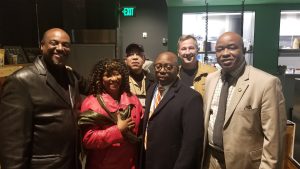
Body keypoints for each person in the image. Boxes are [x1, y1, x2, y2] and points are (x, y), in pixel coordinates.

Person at [0, 28, 85, 169]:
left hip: (72, 163)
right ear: (42, 45)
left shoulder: (71, 77)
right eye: (54, 43)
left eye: (65, 45)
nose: (60, 48)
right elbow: (12, 145)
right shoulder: (21, 81)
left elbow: (93, 86)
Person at [203, 32, 287, 169]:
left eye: (231, 47)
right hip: (211, 161)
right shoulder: (210, 80)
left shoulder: (266, 83)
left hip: (246, 164)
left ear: (244, 50)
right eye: (219, 49)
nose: (225, 53)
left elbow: (274, 139)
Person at [140, 51, 204, 169]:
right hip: (148, 159)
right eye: (158, 66)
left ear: (177, 69)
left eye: (168, 67)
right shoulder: (151, 89)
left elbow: (192, 143)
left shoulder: (191, 97)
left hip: (171, 163)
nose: (162, 70)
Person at [78, 59, 143, 169]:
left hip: (130, 164)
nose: (113, 79)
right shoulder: (91, 102)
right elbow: (88, 140)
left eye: (117, 74)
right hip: (103, 165)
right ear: (100, 79)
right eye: (108, 75)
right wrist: (117, 131)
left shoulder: (132, 98)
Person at [124, 43, 155, 108]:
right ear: (125, 60)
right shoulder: (121, 80)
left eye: (139, 55)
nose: (135, 58)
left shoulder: (154, 80)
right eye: (130, 55)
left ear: (144, 59)